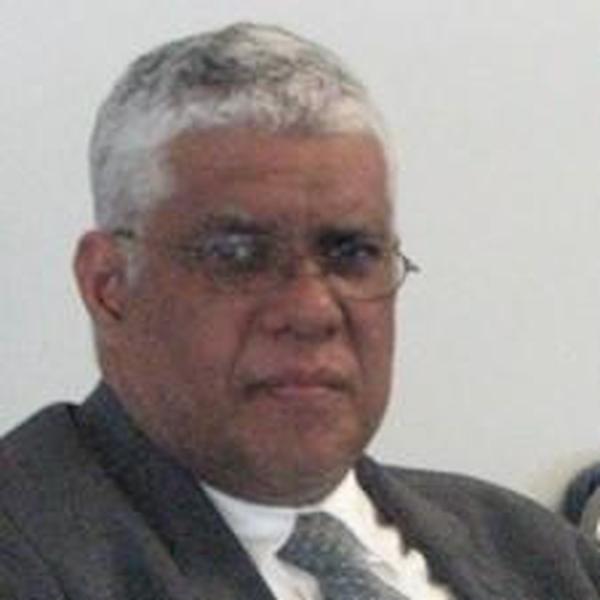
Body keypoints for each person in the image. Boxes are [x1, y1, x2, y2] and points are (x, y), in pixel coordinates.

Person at [1, 22, 599, 600]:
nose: (313, 311)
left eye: (353, 254)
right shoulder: (28, 555)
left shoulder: (539, 554)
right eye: (239, 256)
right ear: (108, 285)